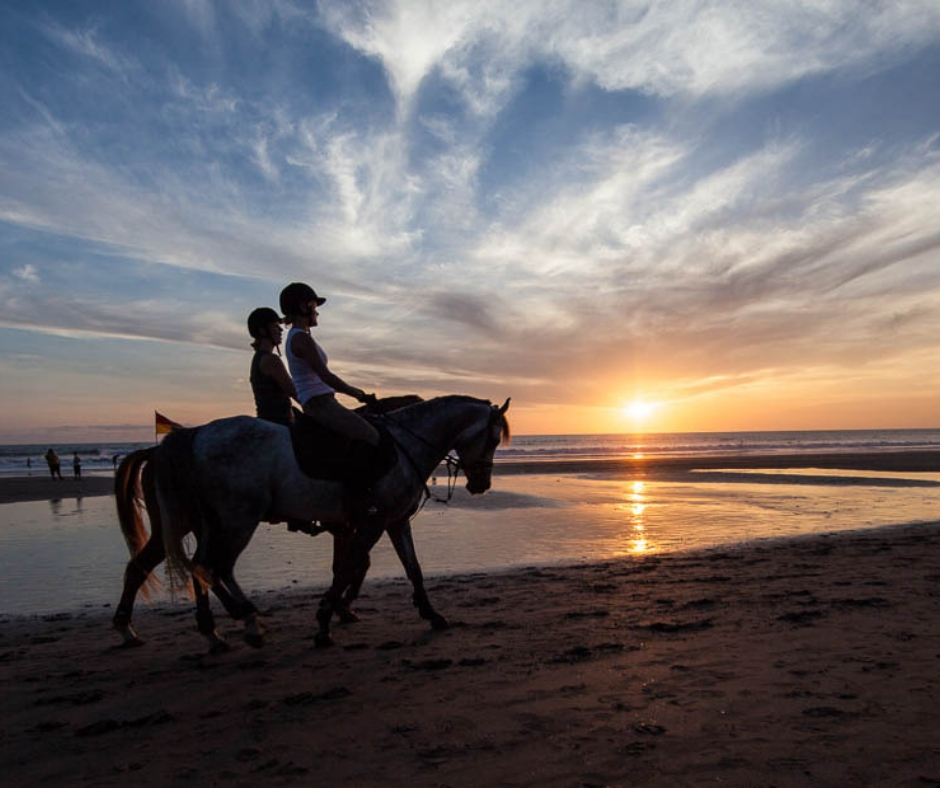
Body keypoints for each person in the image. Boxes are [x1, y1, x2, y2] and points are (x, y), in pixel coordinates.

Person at [279, 282, 382, 519]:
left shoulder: (303, 337)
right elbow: (326, 376)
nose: (317, 311)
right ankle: (358, 499)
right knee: (370, 437)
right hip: (320, 404)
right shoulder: (300, 339)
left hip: (324, 401)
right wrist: (359, 394)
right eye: (314, 305)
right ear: (304, 307)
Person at [247, 307, 297, 427]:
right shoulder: (271, 360)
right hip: (280, 423)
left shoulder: (258, 358)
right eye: (275, 326)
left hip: (267, 420)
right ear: (263, 331)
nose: (280, 330)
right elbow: (294, 391)